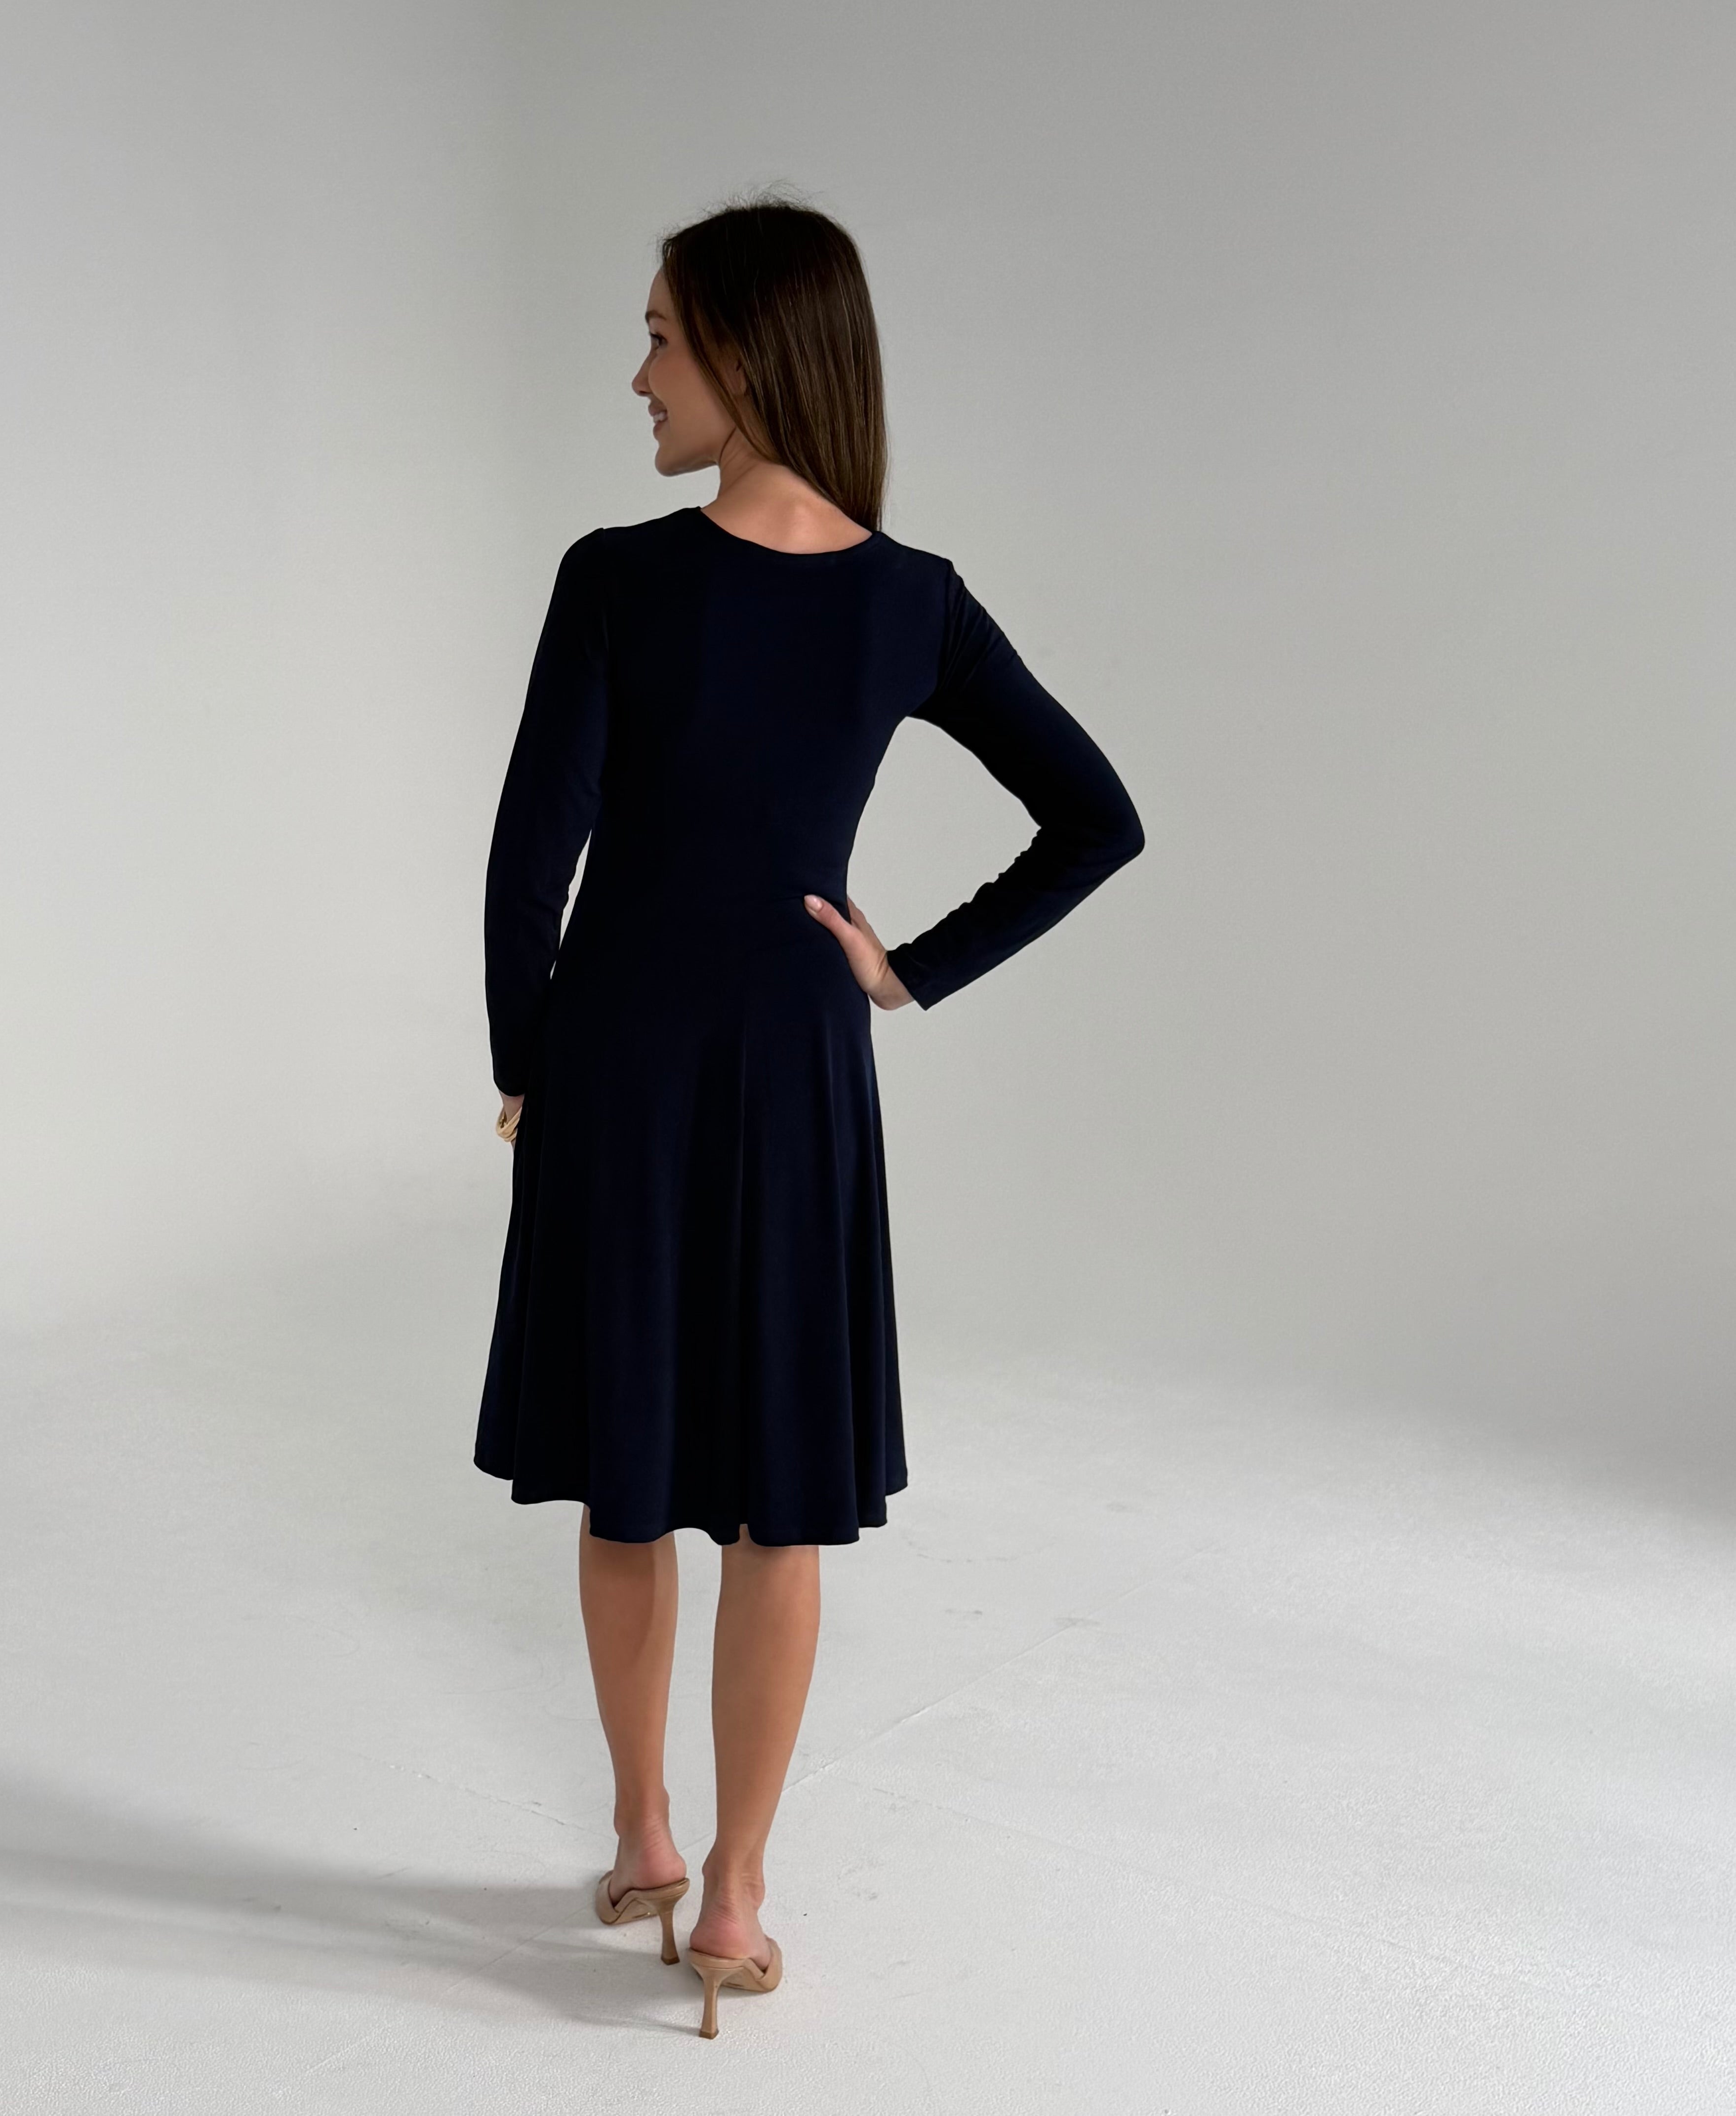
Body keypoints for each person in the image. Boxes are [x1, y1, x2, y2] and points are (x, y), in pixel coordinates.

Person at [474, 194, 1145, 2039]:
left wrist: (526, 1051)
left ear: (749, 356)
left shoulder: (634, 576)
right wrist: (891, 972)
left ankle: (666, 1842)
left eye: (662, 339)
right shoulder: (890, 599)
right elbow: (1093, 817)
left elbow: (535, 850)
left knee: (664, 1482)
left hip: (639, 1058)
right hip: (774, 1061)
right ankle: (711, 1866)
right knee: (766, 1498)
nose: (638, 373)